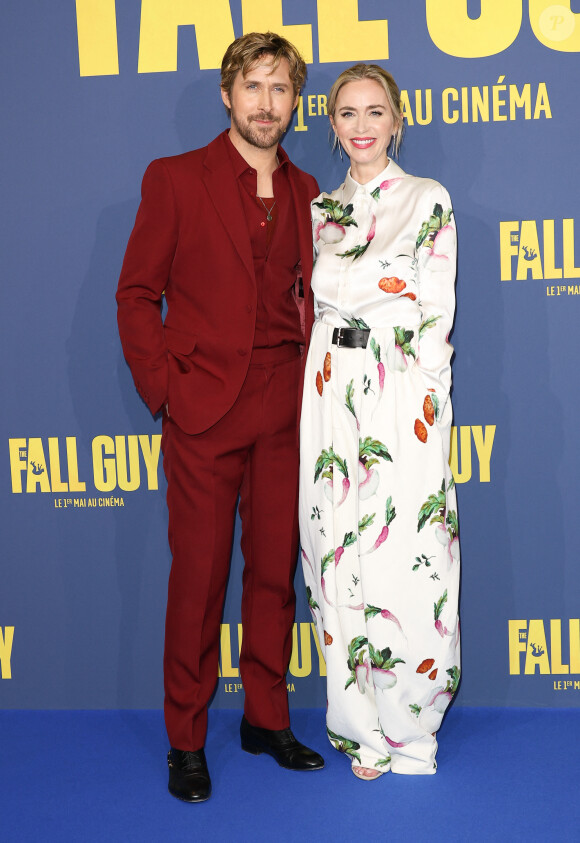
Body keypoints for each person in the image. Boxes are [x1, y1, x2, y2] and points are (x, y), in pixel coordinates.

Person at [116, 31, 324, 803]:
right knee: (199, 579)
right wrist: (165, 389)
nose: (267, 104)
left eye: (281, 90)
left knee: (274, 574)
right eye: (254, 87)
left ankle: (266, 717)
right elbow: (136, 292)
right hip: (203, 408)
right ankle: (186, 738)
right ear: (227, 95)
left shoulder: (310, 191)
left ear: (293, 103)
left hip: (286, 403)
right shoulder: (174, 180)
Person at [299, 64, 460, 779]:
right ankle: (360, 724)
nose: (361, 125)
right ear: (332, 126)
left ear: (398, 120)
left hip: (400, 392)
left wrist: (425, 398)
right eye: (346, 113)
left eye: (375, 111)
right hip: (329, 389)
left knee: (406, 551)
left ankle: (411, 727)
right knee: (337, 554)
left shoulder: (427, 199)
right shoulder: (320, 211)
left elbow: (437, 313)